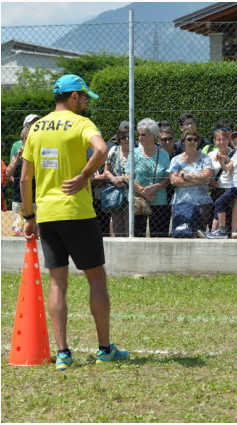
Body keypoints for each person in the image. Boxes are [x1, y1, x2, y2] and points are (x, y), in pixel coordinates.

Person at [19, 74, 129, 370]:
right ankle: (104, 348)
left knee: (57, 282)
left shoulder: (37, 128)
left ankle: (64, 354)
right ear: (73, 97)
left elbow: (25, 178)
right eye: (83, 97)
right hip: (78, 214)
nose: (85, 103)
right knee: (96, 279)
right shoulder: (81, 124)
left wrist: (30, 217)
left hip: (48, 215)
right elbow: (103, 150)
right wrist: (84, 176)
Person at [200, 132, 237, 239]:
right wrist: (221, 161)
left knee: (219, 202)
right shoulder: (235, 155)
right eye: (235, 144)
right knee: (220, 203)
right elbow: (226, 169)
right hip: (234, 187)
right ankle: (216, 230)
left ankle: (221, 231)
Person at [127, 118, 171, 238]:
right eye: (139, 134)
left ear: (152, 136)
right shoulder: (133, 153)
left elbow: (168, 178)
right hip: (138, 202)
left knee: (159, 237)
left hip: (159, 201)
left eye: (143, 134)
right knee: (136, 236)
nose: (140, 137)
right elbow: (127, 176)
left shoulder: (163, 154)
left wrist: (157, 186)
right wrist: (144, 192)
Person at [168, 127, 214, 235]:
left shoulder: (205, 158)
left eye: (195, 139)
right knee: (181, 233)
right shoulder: (176, 160)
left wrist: (185, 176)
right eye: (189, 139)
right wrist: (198, 179)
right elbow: (173, 180)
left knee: (199, 234)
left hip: (202, 203)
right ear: (183, 142)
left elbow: (207, 177)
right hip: (180, 202)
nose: (192, 142)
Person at [6, 126, 37, 235]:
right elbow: (8, 173)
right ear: (22, 140)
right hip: (18, 198)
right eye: (26, 138)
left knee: (34, 233)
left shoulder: (37, 155)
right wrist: (17, 159)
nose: (29, 141)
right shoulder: (16, 155)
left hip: (34, 199)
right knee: (18, 232)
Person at [103, 129, 131, 237]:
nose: (127, 139)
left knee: (130, 229)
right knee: (118, 229)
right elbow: (106, 170)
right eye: (124, 137)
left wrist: (124, 178)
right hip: (116, 193)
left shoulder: (136, 152)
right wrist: (114, 180)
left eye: (129, 137)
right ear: (119, 139)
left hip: (131, 194)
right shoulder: (114, 151)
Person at [207, 128, 235, 232]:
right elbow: (207, 172)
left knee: (228, 221)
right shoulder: (210, 155)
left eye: (224, 139)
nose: (221, 142)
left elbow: (234, 172)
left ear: (228, 140)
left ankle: (217, 232)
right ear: (214, 141)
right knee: (213, 218)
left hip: (230, 190)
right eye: (218, 140)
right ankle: (213, 232)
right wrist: (210, 182)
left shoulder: (235, 154)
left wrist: (225, 159)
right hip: (216, 190)